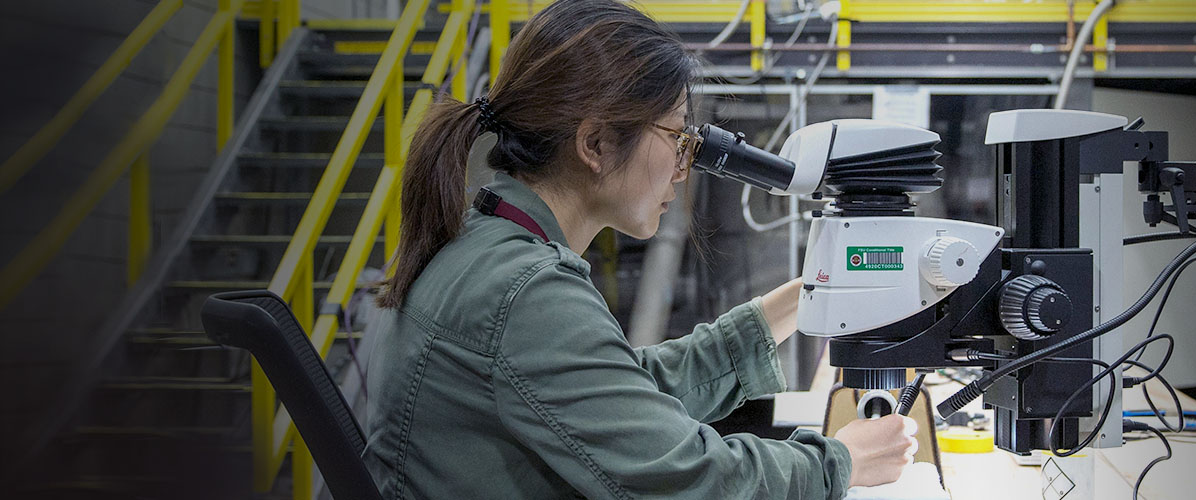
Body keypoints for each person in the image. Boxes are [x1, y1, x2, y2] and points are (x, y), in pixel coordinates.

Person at [364, 1, 916, 498]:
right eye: (678, 138)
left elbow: (619, 394)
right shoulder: (527, 291)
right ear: (597, 144)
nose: (684, 167)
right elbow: (689, 479)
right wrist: (841, 462)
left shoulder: (489, 241)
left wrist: (806, 296)